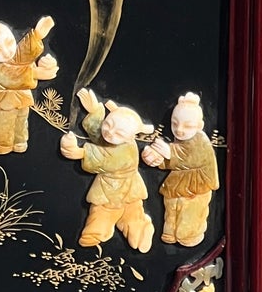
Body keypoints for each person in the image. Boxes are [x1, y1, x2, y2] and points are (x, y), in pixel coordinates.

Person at [59, 88, 155, 250]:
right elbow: (99, 135)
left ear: (131, 136)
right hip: (121, 188)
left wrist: (80, 152)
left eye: (119, 132)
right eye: (108, 124)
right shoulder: (112, 138)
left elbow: (106, 159)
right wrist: (95, 111)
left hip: (117, 188)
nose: (110, 133)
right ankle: (95, 236)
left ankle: (141, 232)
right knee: (106, 216)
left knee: (108, 213)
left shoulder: (126, 150)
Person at [142, 91, 219, 246]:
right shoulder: (179, 141)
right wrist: (157, 159)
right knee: (172, 209)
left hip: (197, 186)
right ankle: (170, 233)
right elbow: (174, 163)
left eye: (187, 125)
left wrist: (169, 151)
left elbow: (190, 159)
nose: (179, 130)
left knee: (190, 213)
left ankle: (189, 236)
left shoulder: (201, 141)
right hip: (177, 183)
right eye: (174, 124)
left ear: (200, 126)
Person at [0, 15, 57, 155]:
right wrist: (37, 73)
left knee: (21, 122)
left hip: (20, 100)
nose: (6, 51)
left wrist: (37, 36)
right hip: (0, 105)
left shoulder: (10, 57)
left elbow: (22, 54)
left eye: (9, 43)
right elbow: (12, 76)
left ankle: (19, 141)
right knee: (0, 125)